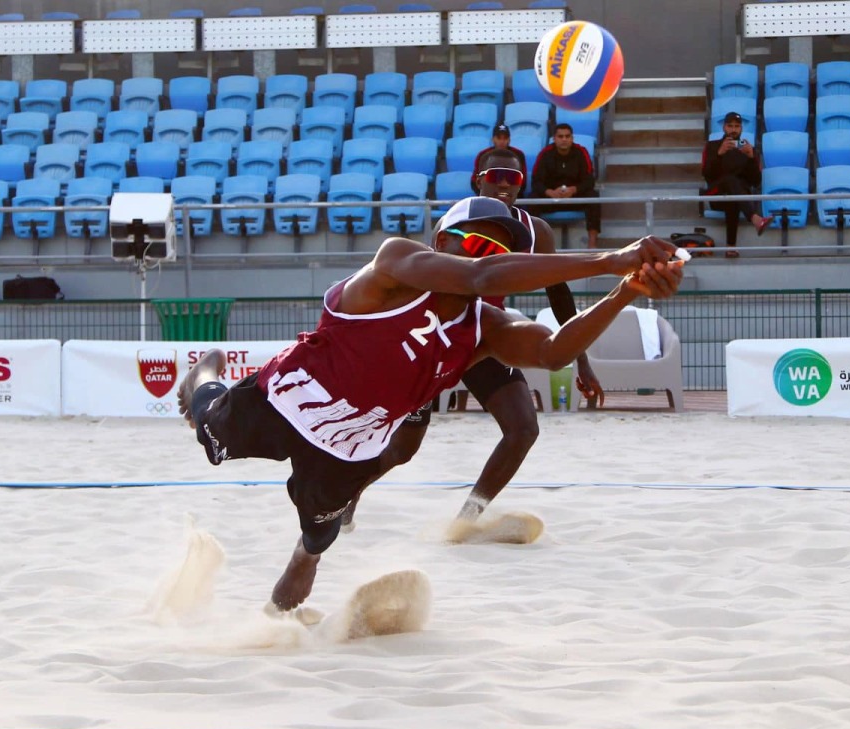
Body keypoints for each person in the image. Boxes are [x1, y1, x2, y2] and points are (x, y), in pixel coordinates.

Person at [177, 196, 685, 612]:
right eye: (479, 244)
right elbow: (482, 276)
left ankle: (296, 574)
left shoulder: (488, 326)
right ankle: (205, 376)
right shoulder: (398, 260)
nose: (488, 257)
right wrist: (610, 259)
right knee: (211, 432)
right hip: (287, 398)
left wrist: (623, 291)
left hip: (350, 440)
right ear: (442, 241)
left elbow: (553, 352)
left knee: (315, 541)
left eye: (504, 253)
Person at [339, 147, 605, 535]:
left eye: (512, 178)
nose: (503, 184)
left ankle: (466, 520)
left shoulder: (536, 231)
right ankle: (345, 499)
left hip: (484, 336)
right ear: (477, 180)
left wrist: (581, 358)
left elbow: (558, 294)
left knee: (523, 430)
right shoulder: (456, 222)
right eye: (496, 175)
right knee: (402, 449)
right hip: (438, 337)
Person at [702, 111, 772, 258]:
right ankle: (755, 218)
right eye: (730, 126)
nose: (733, 130)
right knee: (730, 180)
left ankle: (731, 247)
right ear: (723, 127)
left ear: (741, 129)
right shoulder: (712, 146)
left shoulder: (748, 149)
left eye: (737, 126)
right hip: (716, 194)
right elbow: (707, 174)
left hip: (739, 197)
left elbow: (756, 181)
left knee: (733, 197)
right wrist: (719, 155)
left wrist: (751, 158)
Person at [531, 123, 601, 248]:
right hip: (552, 199)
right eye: (560, 136)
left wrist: (574, 190)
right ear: (554, 138)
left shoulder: (581, 152)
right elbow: (536, 181)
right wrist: (549, 192)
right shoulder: (545, 154)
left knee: (594, 196)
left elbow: (589, 180)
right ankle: (535, 243)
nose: (564, 139)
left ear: (572, 138)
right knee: (532, 198)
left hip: (574, 197)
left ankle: (592, 242)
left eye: (567, 136)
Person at [470, 123, 527, 193]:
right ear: (493, 139)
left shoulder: (518, 154)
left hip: (511, 194)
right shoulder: (483, 155)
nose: (502, 141)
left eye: (505, 138)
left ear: (509, 140)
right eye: (499, 138)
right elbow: (474, 180)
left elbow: (522, 181)